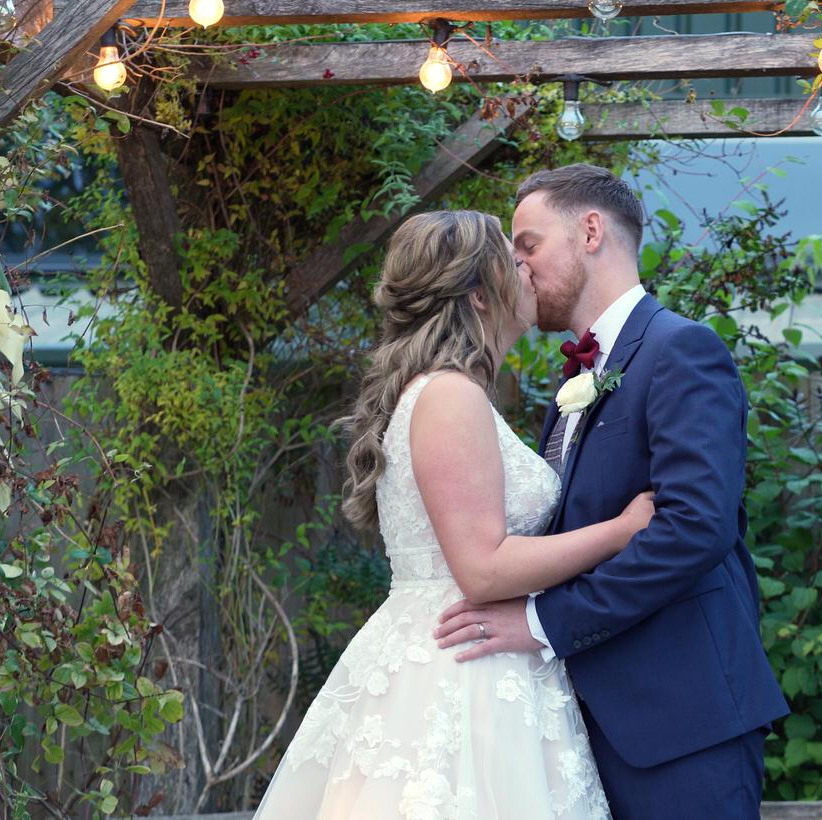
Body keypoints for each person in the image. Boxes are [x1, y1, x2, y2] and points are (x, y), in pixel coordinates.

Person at [255, 210, 652, 819]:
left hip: (475, 652)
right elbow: (483, 568)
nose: (528, 272)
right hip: (457, 670)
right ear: (477, 293)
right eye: (513, 261)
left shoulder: (450, 390)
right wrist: (621, 531)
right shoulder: (448, 395)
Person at [432, 164, 789, 819]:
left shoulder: (682, 350)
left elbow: (692, 529)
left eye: (529, 244)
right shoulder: (575, 377)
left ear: (590, 231)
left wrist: (541, 624)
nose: (518, 266)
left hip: (682, 726)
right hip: (577, 733)